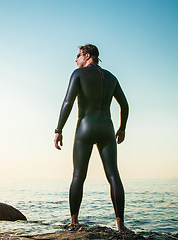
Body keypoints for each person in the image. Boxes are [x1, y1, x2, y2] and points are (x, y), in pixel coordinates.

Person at [54, 44, 130, 232]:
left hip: (85, 128)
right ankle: (120, 225)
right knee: (113, 174)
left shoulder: (77, 74)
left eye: (78, 55)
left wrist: (58, 129)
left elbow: (67, 102)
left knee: (79, 175)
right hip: (106, 128)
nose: (76, 59)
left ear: (87, 56)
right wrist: (122, 128)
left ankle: (74, 222)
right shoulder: (111, 77)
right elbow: (125, 105)